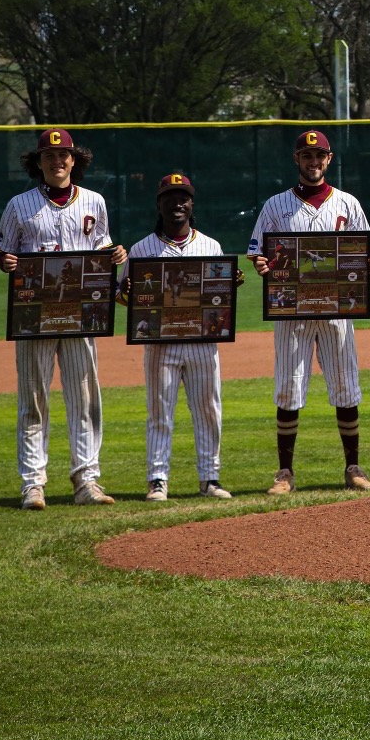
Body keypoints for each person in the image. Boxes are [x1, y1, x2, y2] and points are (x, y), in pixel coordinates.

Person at [0, 128, 126, 510]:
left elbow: (100, 247)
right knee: (33, 400)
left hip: (82, 314)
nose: (58, 161)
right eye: (49, 156)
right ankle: (32, 484)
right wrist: (7, 263)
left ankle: (87, 480)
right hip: (34, 315)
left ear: (75, 160)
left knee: (84, 400)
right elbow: (5, 255)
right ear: (38, 163)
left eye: (64, 154)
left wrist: (113, 254)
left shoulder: (95, 202)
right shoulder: (19, 205)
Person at [247, 129, 370, 495]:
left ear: (329, 159)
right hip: (292, 312)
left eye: (319, 155)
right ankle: (284, 472)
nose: (314, 162)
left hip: (338, 313)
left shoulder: (348, 204)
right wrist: (262, 265)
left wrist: (368, 265)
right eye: (307, 156)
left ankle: (353, 467)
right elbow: (257, 250)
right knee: (289, 389)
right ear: (296, 160)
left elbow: (364, 250)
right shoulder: (275, 205)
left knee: (346, 388)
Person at [127, 172, 239, 501]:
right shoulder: (141, 248)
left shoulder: (211, 246)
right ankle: (157, 479)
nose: (177, 202)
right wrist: (126, 292)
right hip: (160, 345)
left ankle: (210, 478)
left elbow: (220, 295)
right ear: (159, 203)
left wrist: (230, 286)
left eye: (184, 197)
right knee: (160, 410)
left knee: (208, 409)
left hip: (203, 343)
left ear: (192, 203)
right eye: (170, 197)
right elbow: (123, 296)